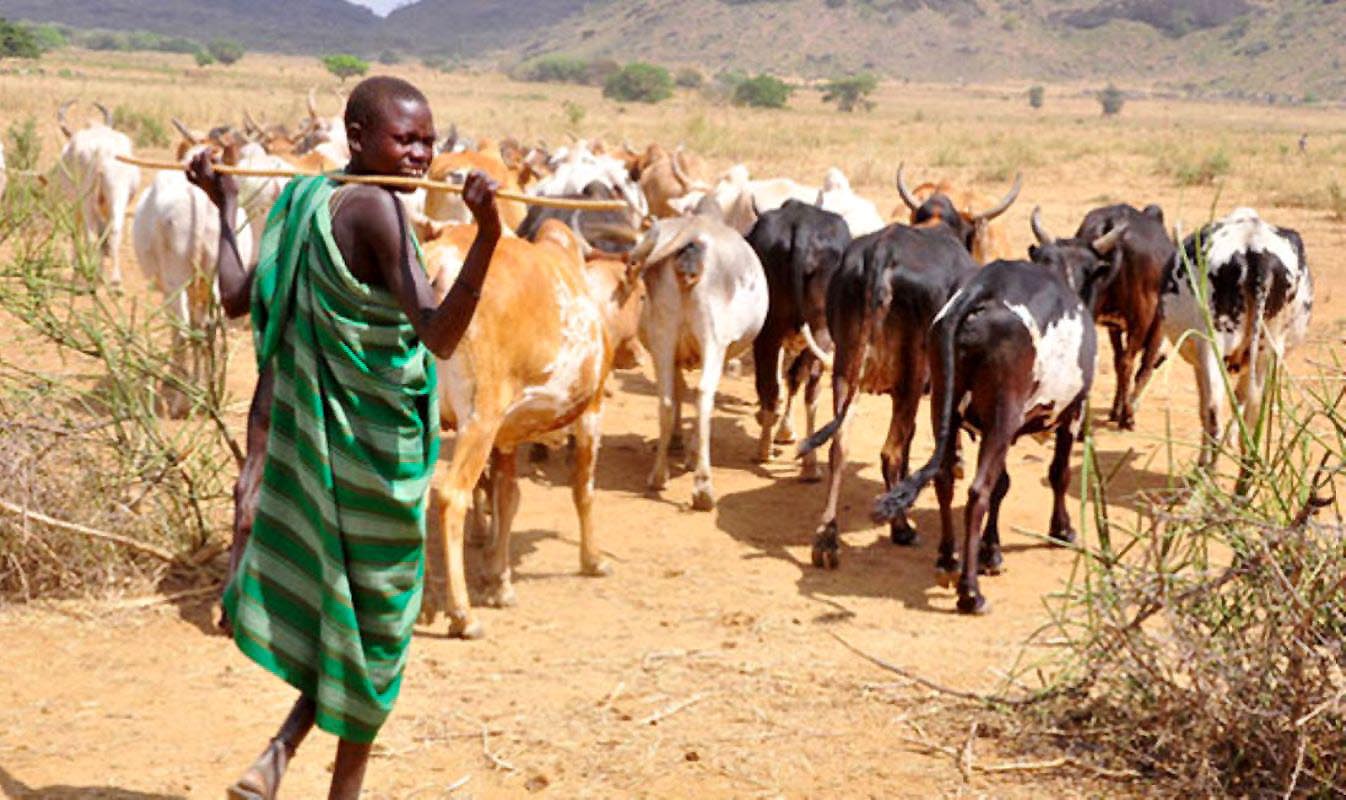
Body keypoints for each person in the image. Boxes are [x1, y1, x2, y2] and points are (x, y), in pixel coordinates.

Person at [187, 75, 501, 799]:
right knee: (381, 630)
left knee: (348, 618)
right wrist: (487, 240)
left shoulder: (304, 201)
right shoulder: (381, 213)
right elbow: (441, 334)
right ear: (358, 136)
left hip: (319, 441)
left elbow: (238, 296)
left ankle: (278, 753)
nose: (422, 154)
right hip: (373, 457)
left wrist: (226, 205)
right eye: (406, 139)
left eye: (428, 140)